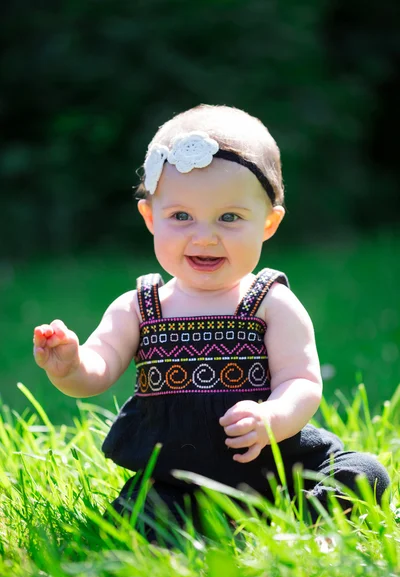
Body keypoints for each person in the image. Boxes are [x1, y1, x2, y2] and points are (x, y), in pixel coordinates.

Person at [33, 104, 390, 541]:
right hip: (179, 478)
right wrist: (70, 366)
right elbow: (98, 370)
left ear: (268, 224)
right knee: (141, 517)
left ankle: (299, 518)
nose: (204, 236)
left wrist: (272, 417)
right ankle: (196, 521)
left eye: (230, 217)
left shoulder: (271, 303)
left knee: (362, 473)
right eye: (181, 216)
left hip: (277, 464)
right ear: (150, 217)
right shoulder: (139, 307)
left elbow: (302, 381)